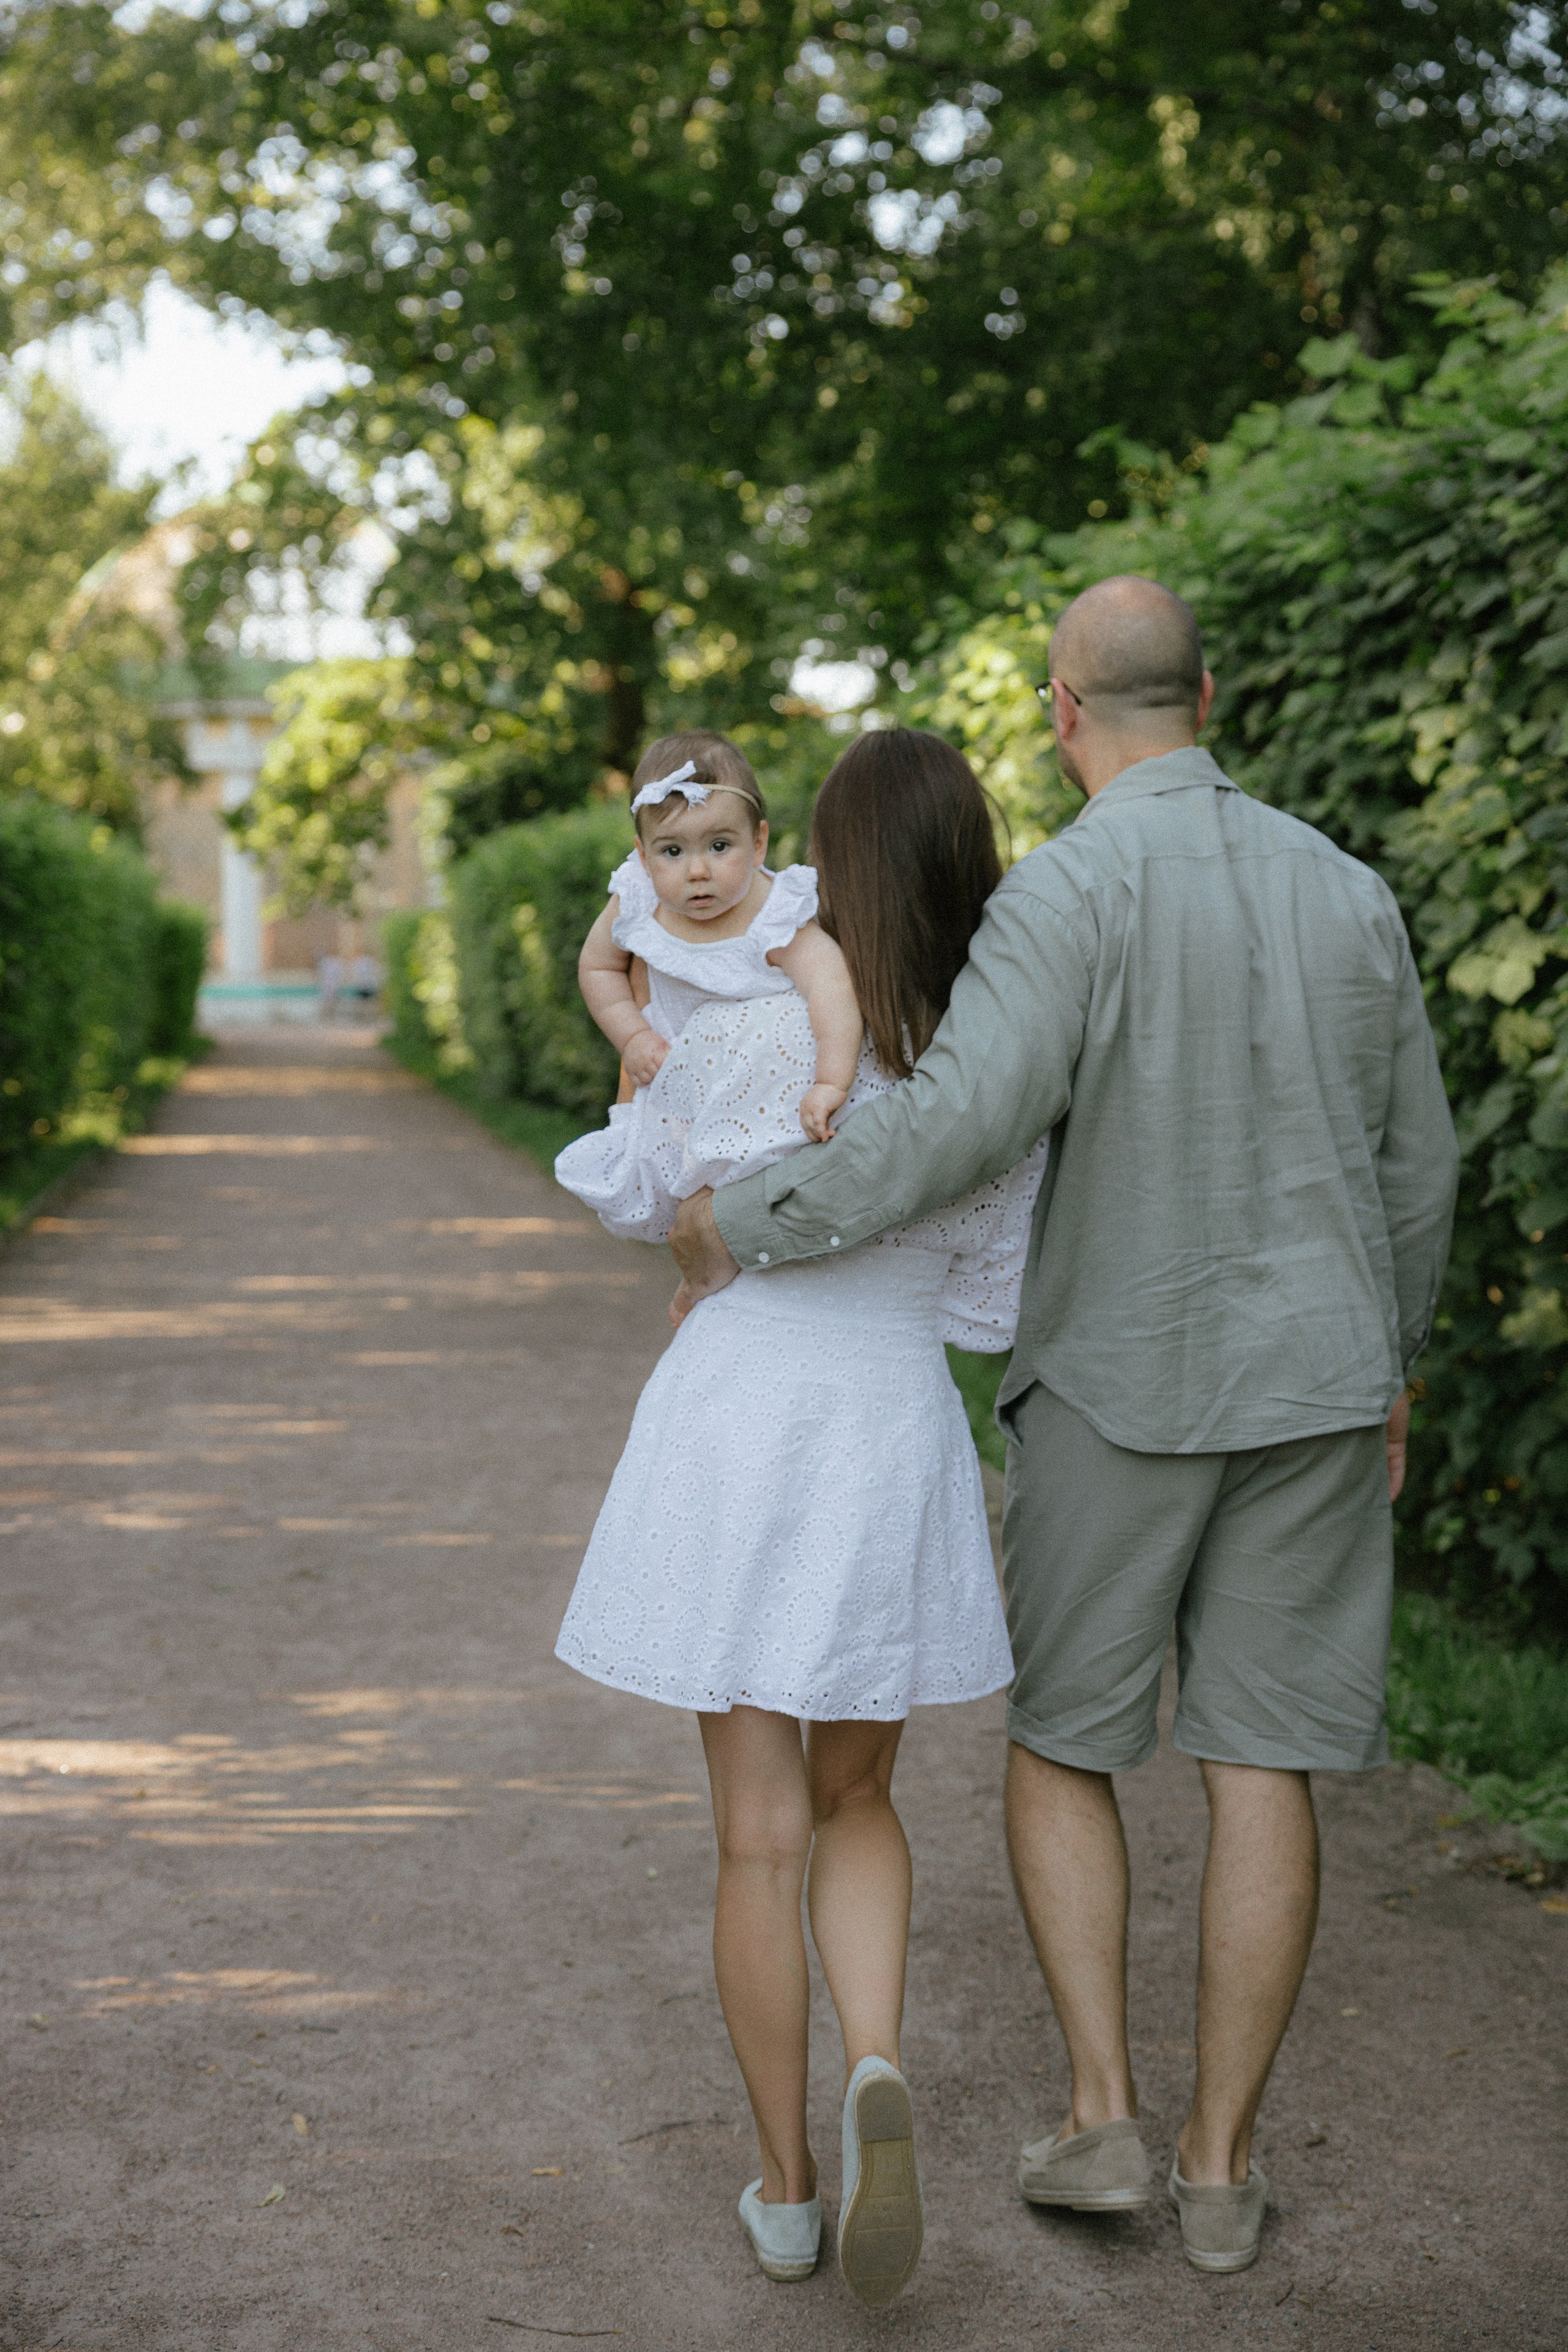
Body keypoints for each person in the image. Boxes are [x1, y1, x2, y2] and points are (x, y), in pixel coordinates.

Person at [669, 577, 1459, 2276]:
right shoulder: (1351, 890)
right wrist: (1391, 1359)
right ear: (1215, 692)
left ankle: (1100, 2112)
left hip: (1122, 1380)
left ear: (1061, 710)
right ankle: (1222, 2167)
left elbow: (954, 1129)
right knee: (1266, 1763)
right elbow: (1419, 1166)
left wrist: (755, 1218)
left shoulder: (1068, 895)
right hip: (1323, 1387)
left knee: (1072, 1741)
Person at [554, 729, 1047, 2305]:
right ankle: (877, 2055)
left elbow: (652, 1207)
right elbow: (988, 1304)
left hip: (733, 1416)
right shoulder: (983, 1052)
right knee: (861, 1800)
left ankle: (783, 2184)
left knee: (751, 1836)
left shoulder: (731, 1015)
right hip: (884, 1426)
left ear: (800, 856)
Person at [574, 728, 864, 1155]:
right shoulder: (638, 900)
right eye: (672, 852)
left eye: (720, 846)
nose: (697, 871)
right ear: (643, 857)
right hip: (672, 1098)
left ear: (758, 843)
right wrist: (632, 1036)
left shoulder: (773, 913)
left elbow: (832, 987)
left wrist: (829, 1081)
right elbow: (598, 967)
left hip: (766, 1100)